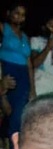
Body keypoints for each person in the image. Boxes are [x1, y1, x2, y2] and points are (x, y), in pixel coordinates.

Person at [0, 3, 34, 138]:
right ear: (9, 13)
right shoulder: (4, 28)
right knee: (6, 109)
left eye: (22, 15)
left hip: (23, 76)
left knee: (18, 114)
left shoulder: (26, 37)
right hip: (7, 71)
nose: (19, 17)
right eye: (16, 13)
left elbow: (30, 65)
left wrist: (32, 89)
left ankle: (14, 147)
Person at [30, 16, 53, 97]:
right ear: (44, 27)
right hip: (41, 81)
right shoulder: (36, 40)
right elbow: (34, 63)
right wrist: (48, 48)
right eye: (51, 25)